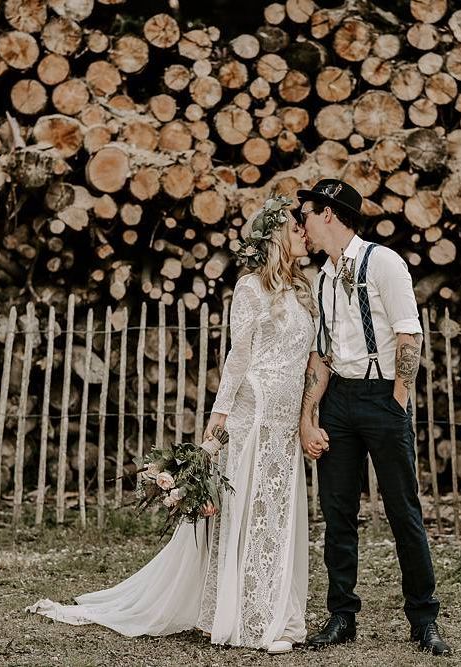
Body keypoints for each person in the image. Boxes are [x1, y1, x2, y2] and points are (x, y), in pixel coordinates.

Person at [27, 195, 315, 655]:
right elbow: (238, 358)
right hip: (254, 416)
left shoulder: (303, 289)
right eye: (295, 227)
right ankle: (248, 621)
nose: (304, 231)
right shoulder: (249, 289)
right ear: (276, 236)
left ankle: (275, 610)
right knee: (248, 519)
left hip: (284, 425)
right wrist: (219, 419)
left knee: (276, 517)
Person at [296, 179, 451, 656]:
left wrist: (397, 399)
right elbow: (321, 355)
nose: (301, 224)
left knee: (404, 510)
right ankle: (342, 615)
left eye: (307, 214)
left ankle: (423, 617)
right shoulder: (322, 277)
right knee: (337, 510)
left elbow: (409, 335)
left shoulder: (383, 262)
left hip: (383, 397)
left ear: (328, 215)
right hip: (338, 400)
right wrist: (309, 415)